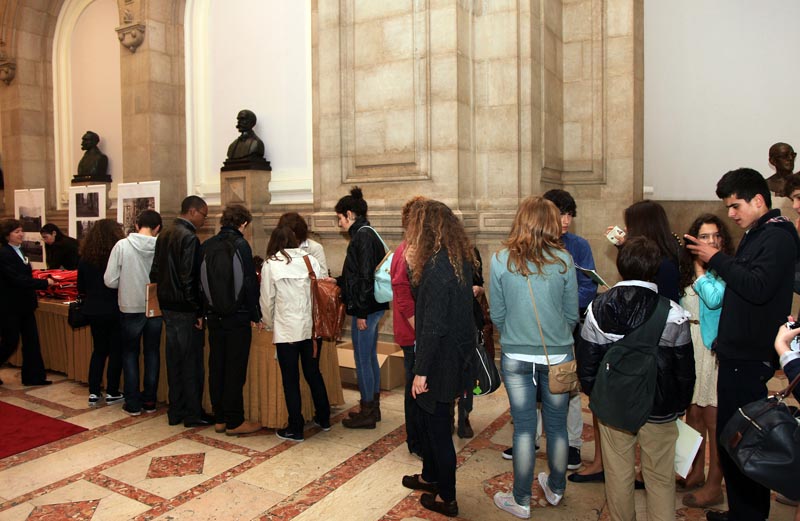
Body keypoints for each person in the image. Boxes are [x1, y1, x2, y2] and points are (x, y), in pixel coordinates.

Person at [685, 168, 800, 521]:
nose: (731, 214)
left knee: (744, 438)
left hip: (748, 358)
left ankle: (749, 515)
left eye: (735, 206)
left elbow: (756, 286)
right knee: (731, 436)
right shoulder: (759, 232)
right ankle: (741, 511)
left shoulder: (778, 237)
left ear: (758, 200)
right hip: (736, 353)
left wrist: (714, 257)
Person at [577, 236, 694, 521]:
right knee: (661, 476)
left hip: (615, 404)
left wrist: (598, 396)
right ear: (655, 268)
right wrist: (678, 407)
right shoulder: (674, 313)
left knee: (618, 474)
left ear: (620, 265)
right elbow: (684, 369)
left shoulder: (598, 308)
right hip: (660, 405)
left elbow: (588, 364)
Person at [490, 196, 578, 519]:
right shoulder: (565, 261)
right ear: (552, 223)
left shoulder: (500, 260)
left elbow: (497, 315)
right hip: (557, 355)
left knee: (524, 429)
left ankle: (521, 500)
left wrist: (515, 332)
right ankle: (556, 488)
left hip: (515, 354)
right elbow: (572, 315)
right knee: (557, 427)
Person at [400, 200, 475, 518]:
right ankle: (430, 477)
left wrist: (421, 371)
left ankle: (448, 496)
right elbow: (433, 305)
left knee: (439, 429)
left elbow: (432, 325)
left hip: (438, 362)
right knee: (430, 421)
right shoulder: (456, 259)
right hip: (455, 357)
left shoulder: (436, 267)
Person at [677, 214, 733, 508]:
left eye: (715, 236)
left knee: (714, 420)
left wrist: (701, 267)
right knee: (694, 415)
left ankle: (715, 484)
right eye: (704, 236)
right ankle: (695, 470)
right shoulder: (685, 271)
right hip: (690, 344)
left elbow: (714, 300)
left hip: (713, 349)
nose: (711, 241)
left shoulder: (726, 270)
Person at [544, 188, 598, 471]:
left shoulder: (579, 245)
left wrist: (563, 306)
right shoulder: (533, 244)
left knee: (569, 383)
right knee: (536, 383)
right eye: (560, 214)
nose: (566, 220)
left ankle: (574, 443)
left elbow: (589, 286)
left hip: (569, 323)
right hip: (538, 327)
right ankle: (533, 439)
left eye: (569, 214)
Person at [260, 225, 331, 442]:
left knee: (290, 379)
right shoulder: (311, 261)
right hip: (311, 330)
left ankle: (296, 427)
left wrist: (269, 324)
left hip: (287, 330)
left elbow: (266, 300)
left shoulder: (271, 265)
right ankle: (324, 417)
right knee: (313, 373)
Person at [150, 196, 211, 427]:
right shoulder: (189, 238)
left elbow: (154, 272)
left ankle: (175, 411)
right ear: (193, 212)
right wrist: (197, 311)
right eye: (203, 215)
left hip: (167, 306)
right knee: (191, 362)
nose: (204, 221)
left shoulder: (164, 234)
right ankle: (193, 413)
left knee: (173, 360)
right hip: (185, 309)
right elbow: (189, 278)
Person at [202, 205, 262, 436]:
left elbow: (199, 282)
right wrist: (255, 315)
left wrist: (202, 313)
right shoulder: (241, 245)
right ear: (243, 224)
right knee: (235, 369)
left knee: (216, 365)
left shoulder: (207, 245)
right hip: (237, 317)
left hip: (213, 316)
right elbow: (248, 283)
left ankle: (219, 418)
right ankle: (235, 420)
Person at [333, 187, 389, 429]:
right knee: (368, 357)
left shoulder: (362, 237)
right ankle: (371, 407)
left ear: (349, 214)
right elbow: (356, 275)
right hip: (371, 306)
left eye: (339, 218)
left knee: (363, 358)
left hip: (366, 308)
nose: (338, 223)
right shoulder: (368, 233)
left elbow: (365, 277)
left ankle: (368, 409)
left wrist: (361, 313)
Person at [104, 210, 163, 416]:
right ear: (157, 228)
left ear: (137, 225)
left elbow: (109, 280)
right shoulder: (161, 247)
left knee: (130, 354)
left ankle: (133, 402)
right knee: (152, 353)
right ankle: (149, 400)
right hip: (155, 307)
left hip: (129, 306)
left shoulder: (122, 246)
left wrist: (127, 283)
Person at [391, 196, 427, 457]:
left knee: (417, 387)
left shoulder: (415, 249)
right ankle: (416, 440)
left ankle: (420, 437)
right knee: (414, 390)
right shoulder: (406, 252)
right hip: (412, 332)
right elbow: (403, 297)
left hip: (416, 332)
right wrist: (422, 330)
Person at [0, 219, 54, 386]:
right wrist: (44, 283)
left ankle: (33, 377)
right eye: (16, 232)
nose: (21, 234)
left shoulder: (20, 250)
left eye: (21, 231)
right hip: (10, 306)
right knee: (11, 341)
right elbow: (17, 279)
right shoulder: (4, 254)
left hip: (25, 304)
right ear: (7, 235)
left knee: (31, 341)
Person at [78, 218, 125, 407]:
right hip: (114, 309)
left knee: (98, 350)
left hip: (94, 310)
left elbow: (81, 286)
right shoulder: (117, 256)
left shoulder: (85, 258)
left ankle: (93, 392)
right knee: (115, 351)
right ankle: (112, 391)